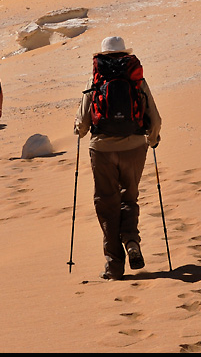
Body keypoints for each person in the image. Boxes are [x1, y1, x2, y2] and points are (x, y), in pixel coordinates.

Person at [73, 36, 162, 281]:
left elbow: (82, 121)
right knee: (129, 198)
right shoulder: (136, 78)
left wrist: (79, 132)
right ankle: (131, 241)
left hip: (101, 149)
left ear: (102, 55)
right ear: (124, 54)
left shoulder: (96, 78)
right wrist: (152, 140)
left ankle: (114, 265)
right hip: (134, 146)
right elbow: (155, 118)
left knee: (106, 203)